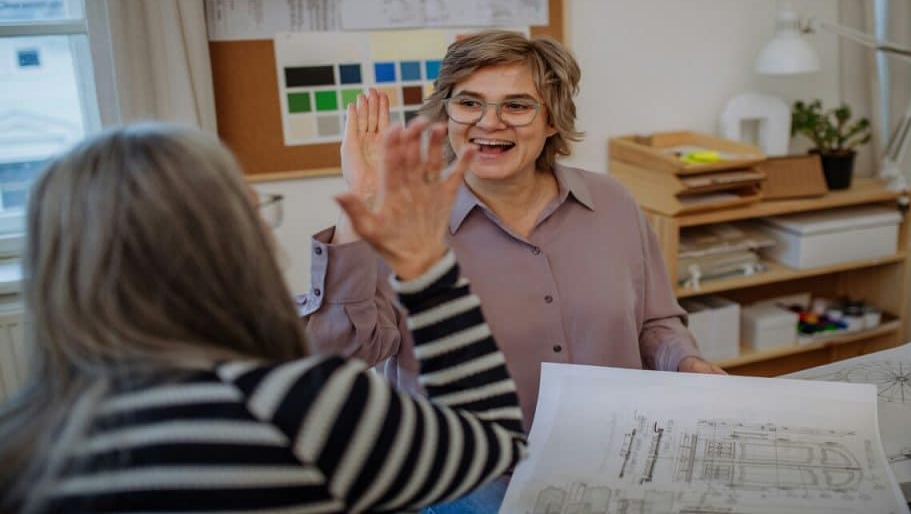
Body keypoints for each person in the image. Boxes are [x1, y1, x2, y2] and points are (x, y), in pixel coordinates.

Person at [0, 121, 526, 513]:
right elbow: (495, 445)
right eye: (256, 211)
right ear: (230, 245)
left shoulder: (21, 446)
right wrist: (426, 268)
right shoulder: (299, 410)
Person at [300, 30, 725, 511]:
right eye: (469, 103)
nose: (490, 123)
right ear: (446, 115)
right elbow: (334, 357)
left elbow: (655, 323)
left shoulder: (613, 203)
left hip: (613, 471)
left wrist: (688, 364)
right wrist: (362, 201)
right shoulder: (402, 220)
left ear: (552, 121)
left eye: (517, 106)